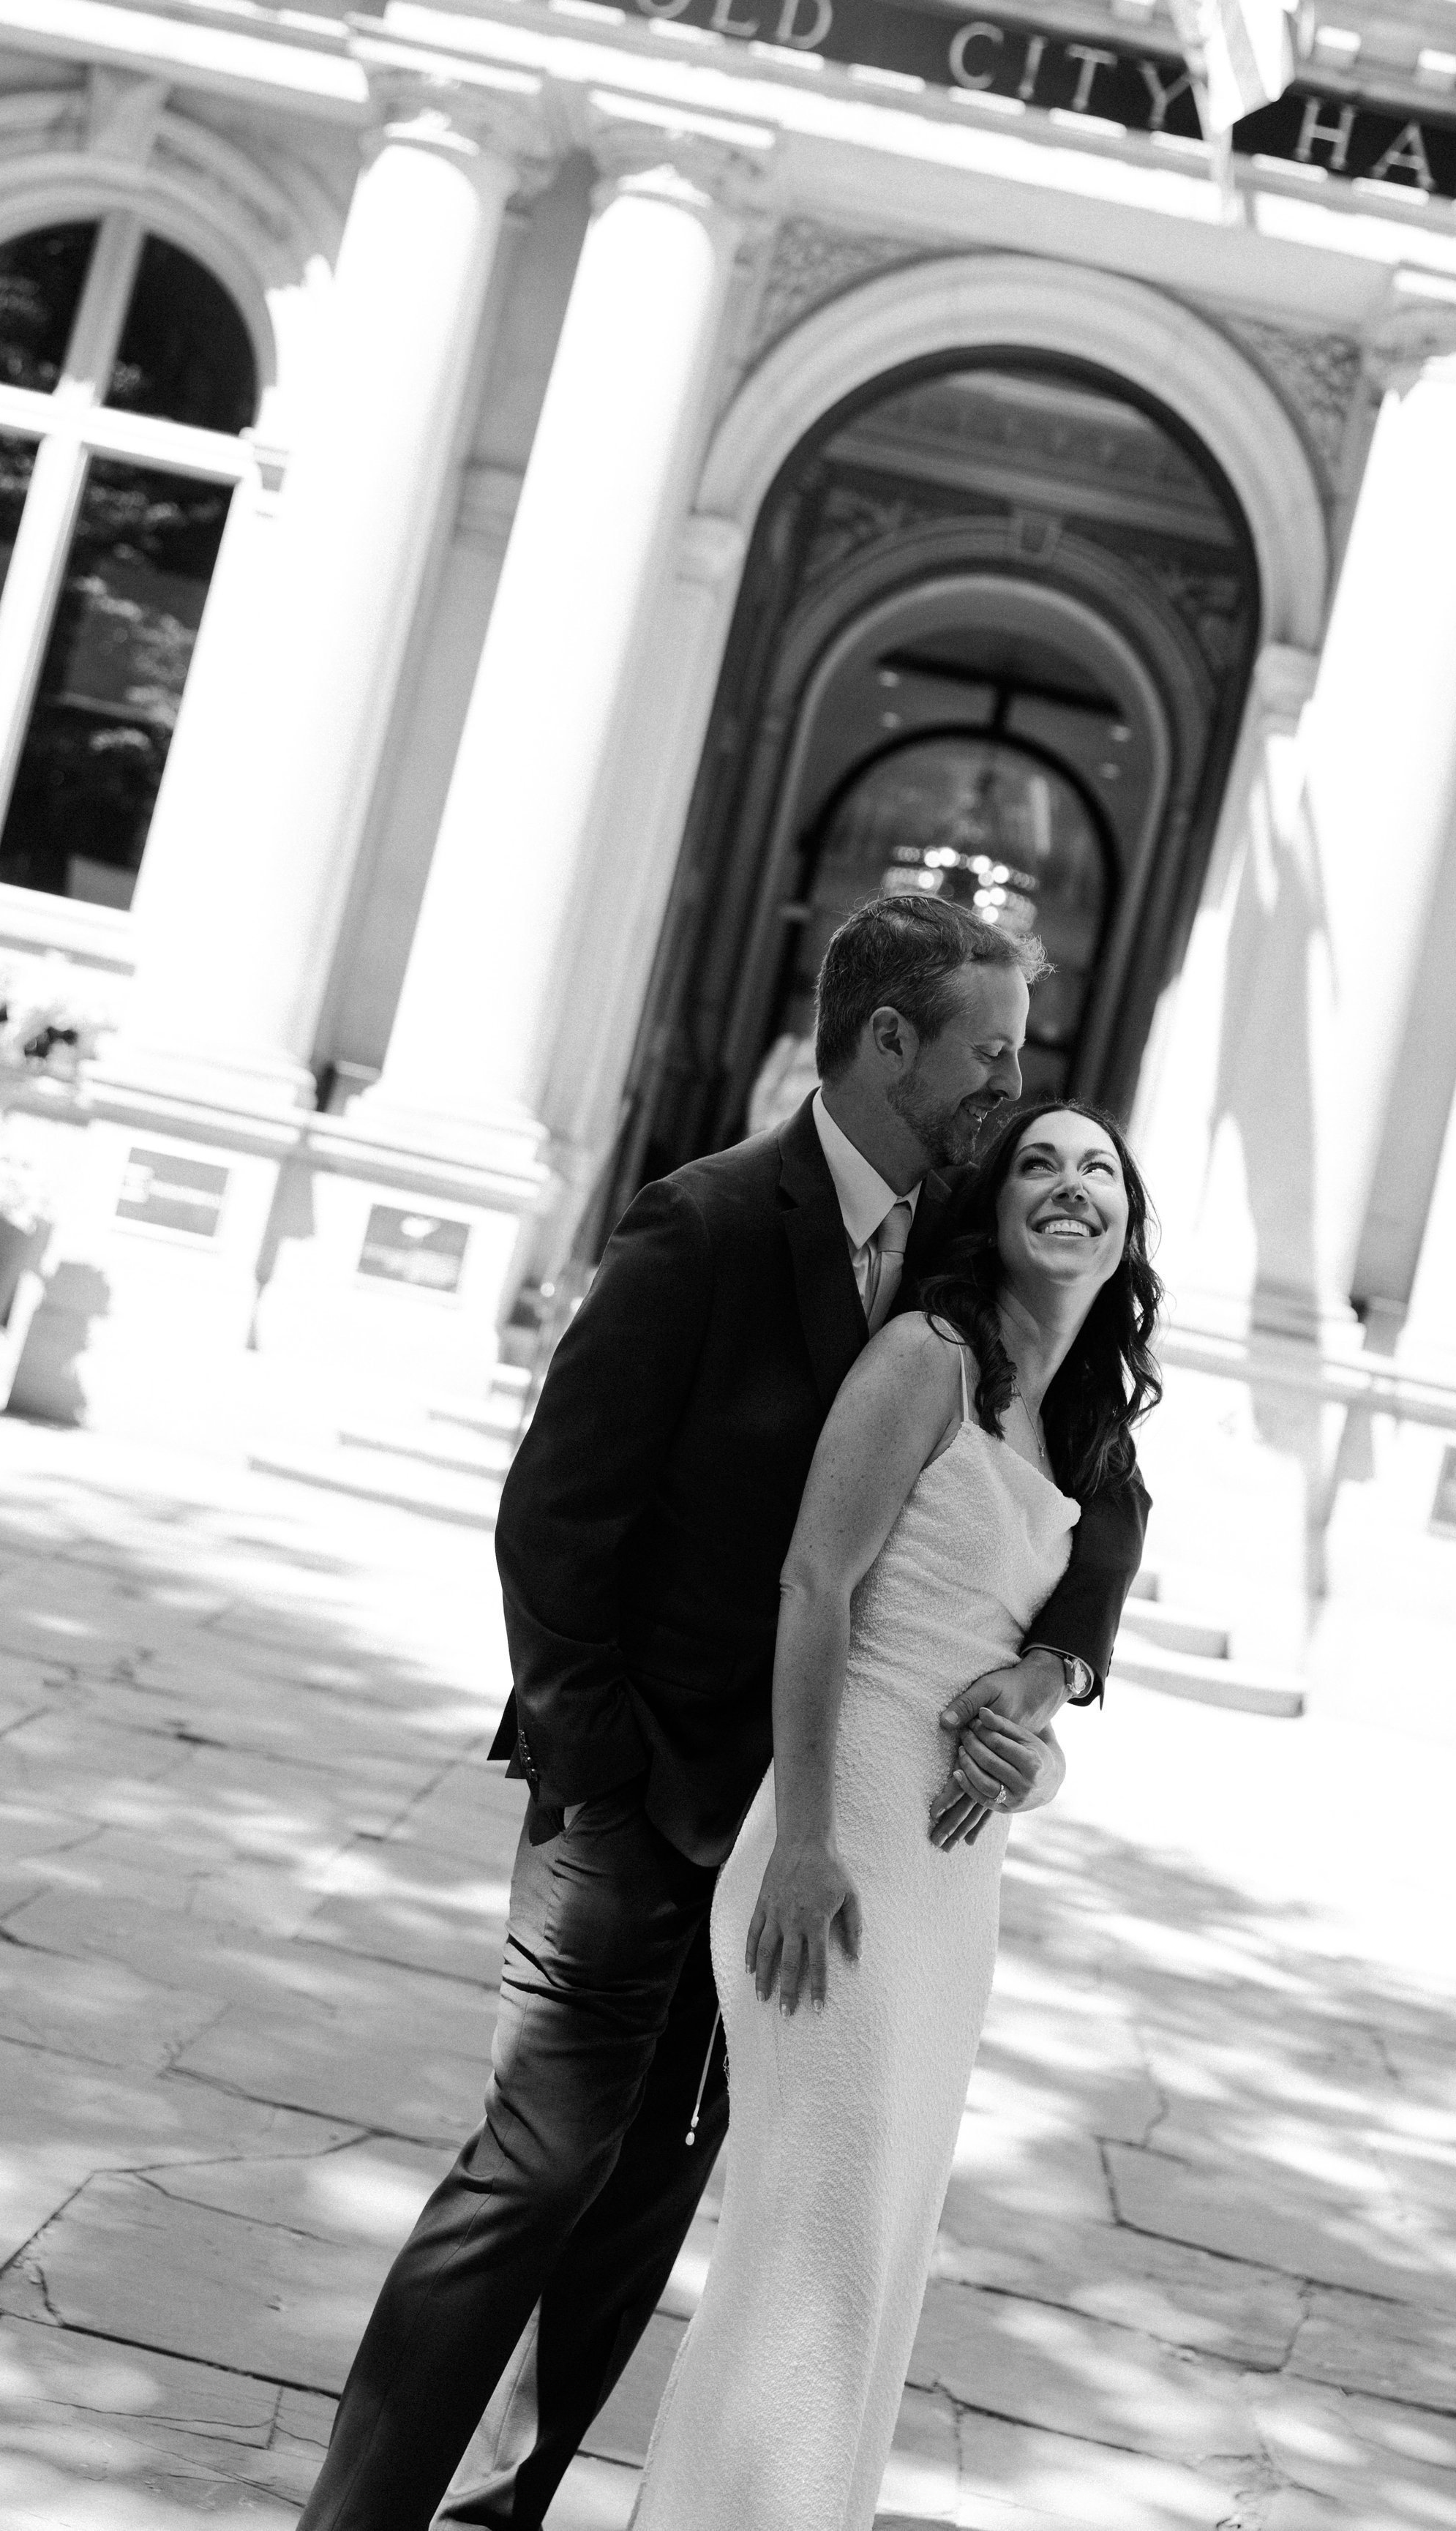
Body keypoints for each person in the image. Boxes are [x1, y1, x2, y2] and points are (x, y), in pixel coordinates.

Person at [296, 894, 1147, 2531]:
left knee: (643, 2209)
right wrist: (605, 1777)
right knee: (538, 2168)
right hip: (637, 1812)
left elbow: (1088, 1464)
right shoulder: (703, 1221)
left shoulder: (960, 1237)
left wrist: (1058, 1661)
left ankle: (495, 2515)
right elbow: (554, 1523)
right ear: (888, 1041)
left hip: (806, 1825)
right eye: (988, 1053)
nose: (1010, 1083)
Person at [629, 1095, 1160, 2530]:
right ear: (990, 1205)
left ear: (1125, 1227)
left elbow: (1042, 1648)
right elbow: (814, 1587)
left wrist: (1035, 1724)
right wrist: (802, 1842)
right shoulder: (928, 1357)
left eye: (1097, 1171)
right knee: (813, 2237)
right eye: (1037, 1163)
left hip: (950, 1892)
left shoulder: (1079, 1430)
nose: (1069, 1185)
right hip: (843, 1834)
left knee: (875, 2241)